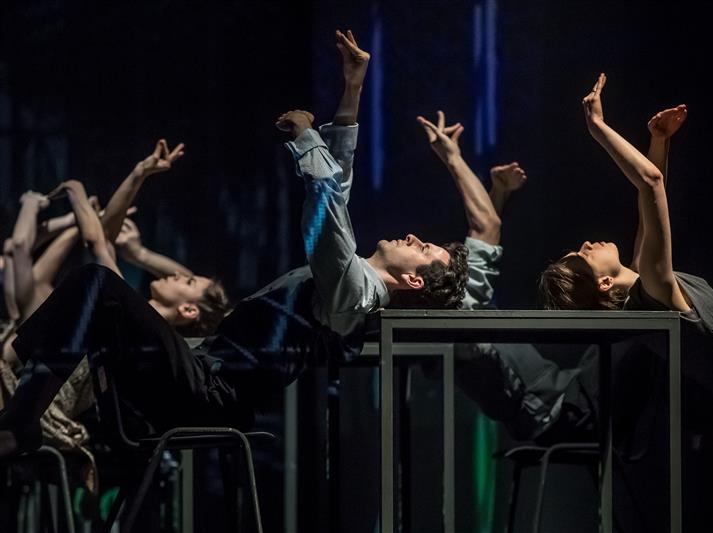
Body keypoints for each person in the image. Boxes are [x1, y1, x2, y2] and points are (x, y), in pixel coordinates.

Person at [0, 29, 468, 459]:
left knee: (98, 283)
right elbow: (338, 193)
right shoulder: (353, 285)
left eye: (423, 249)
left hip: (210, 396)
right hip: (202, 381)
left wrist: (307, 136)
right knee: (95, 290)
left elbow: (328, 213)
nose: (414, 237)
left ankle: (19, 410)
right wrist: (353, 88)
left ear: (412, 281)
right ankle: (20, 409)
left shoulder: (356, 296)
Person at [539, 73, 713, 433]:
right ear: (603, 283)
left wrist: (659, 142)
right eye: (582, 256)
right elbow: (650, 184)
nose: (586, 245)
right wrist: (597, 126)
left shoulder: (645, 292)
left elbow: (647, 204)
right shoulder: (655, 293)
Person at [417, 111, 597, 442]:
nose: (415, 240)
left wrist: (498, 194)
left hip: (564, 395)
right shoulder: (451, 326)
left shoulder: (452, 317)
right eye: (426, 252)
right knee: (646, 335)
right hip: (557, 412)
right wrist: (451, 156)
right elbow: (486, 228)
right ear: (419, 285)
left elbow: (480, 252)